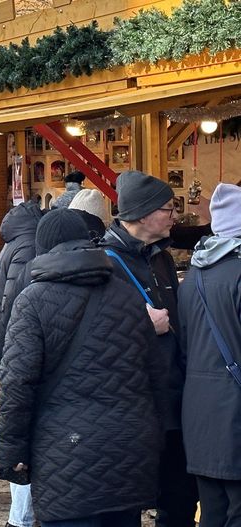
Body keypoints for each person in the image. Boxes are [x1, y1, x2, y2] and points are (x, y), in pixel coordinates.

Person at [0, 209, 163, 526]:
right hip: (128, 447)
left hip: (65, 452)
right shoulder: (127, 295)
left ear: (43, 248)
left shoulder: (32, 300)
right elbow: (155, 372)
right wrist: (154, 439)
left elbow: (17, 383)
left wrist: (11, 452)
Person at [99, 170, 197, 526]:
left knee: (179, 498)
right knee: (126, 507)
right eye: (168, 209)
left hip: (174, 398)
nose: (175, 216)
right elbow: (94, 337)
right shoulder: (104, 264)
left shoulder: (162, 258)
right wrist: (142, 325)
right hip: (133, 406)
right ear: (141, 214)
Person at [178, 183, 241, 527]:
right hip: (234, 411)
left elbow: (185, 347)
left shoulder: (193, 277)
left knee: (213, 510)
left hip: (199, 411)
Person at [0, 199, 42, 527]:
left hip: (10, 348)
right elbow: (17, 304)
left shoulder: (13, 243)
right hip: (18, 349)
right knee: (21, 432)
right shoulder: (29, 247)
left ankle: (21, 516)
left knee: (17, 428)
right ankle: (21, 517)